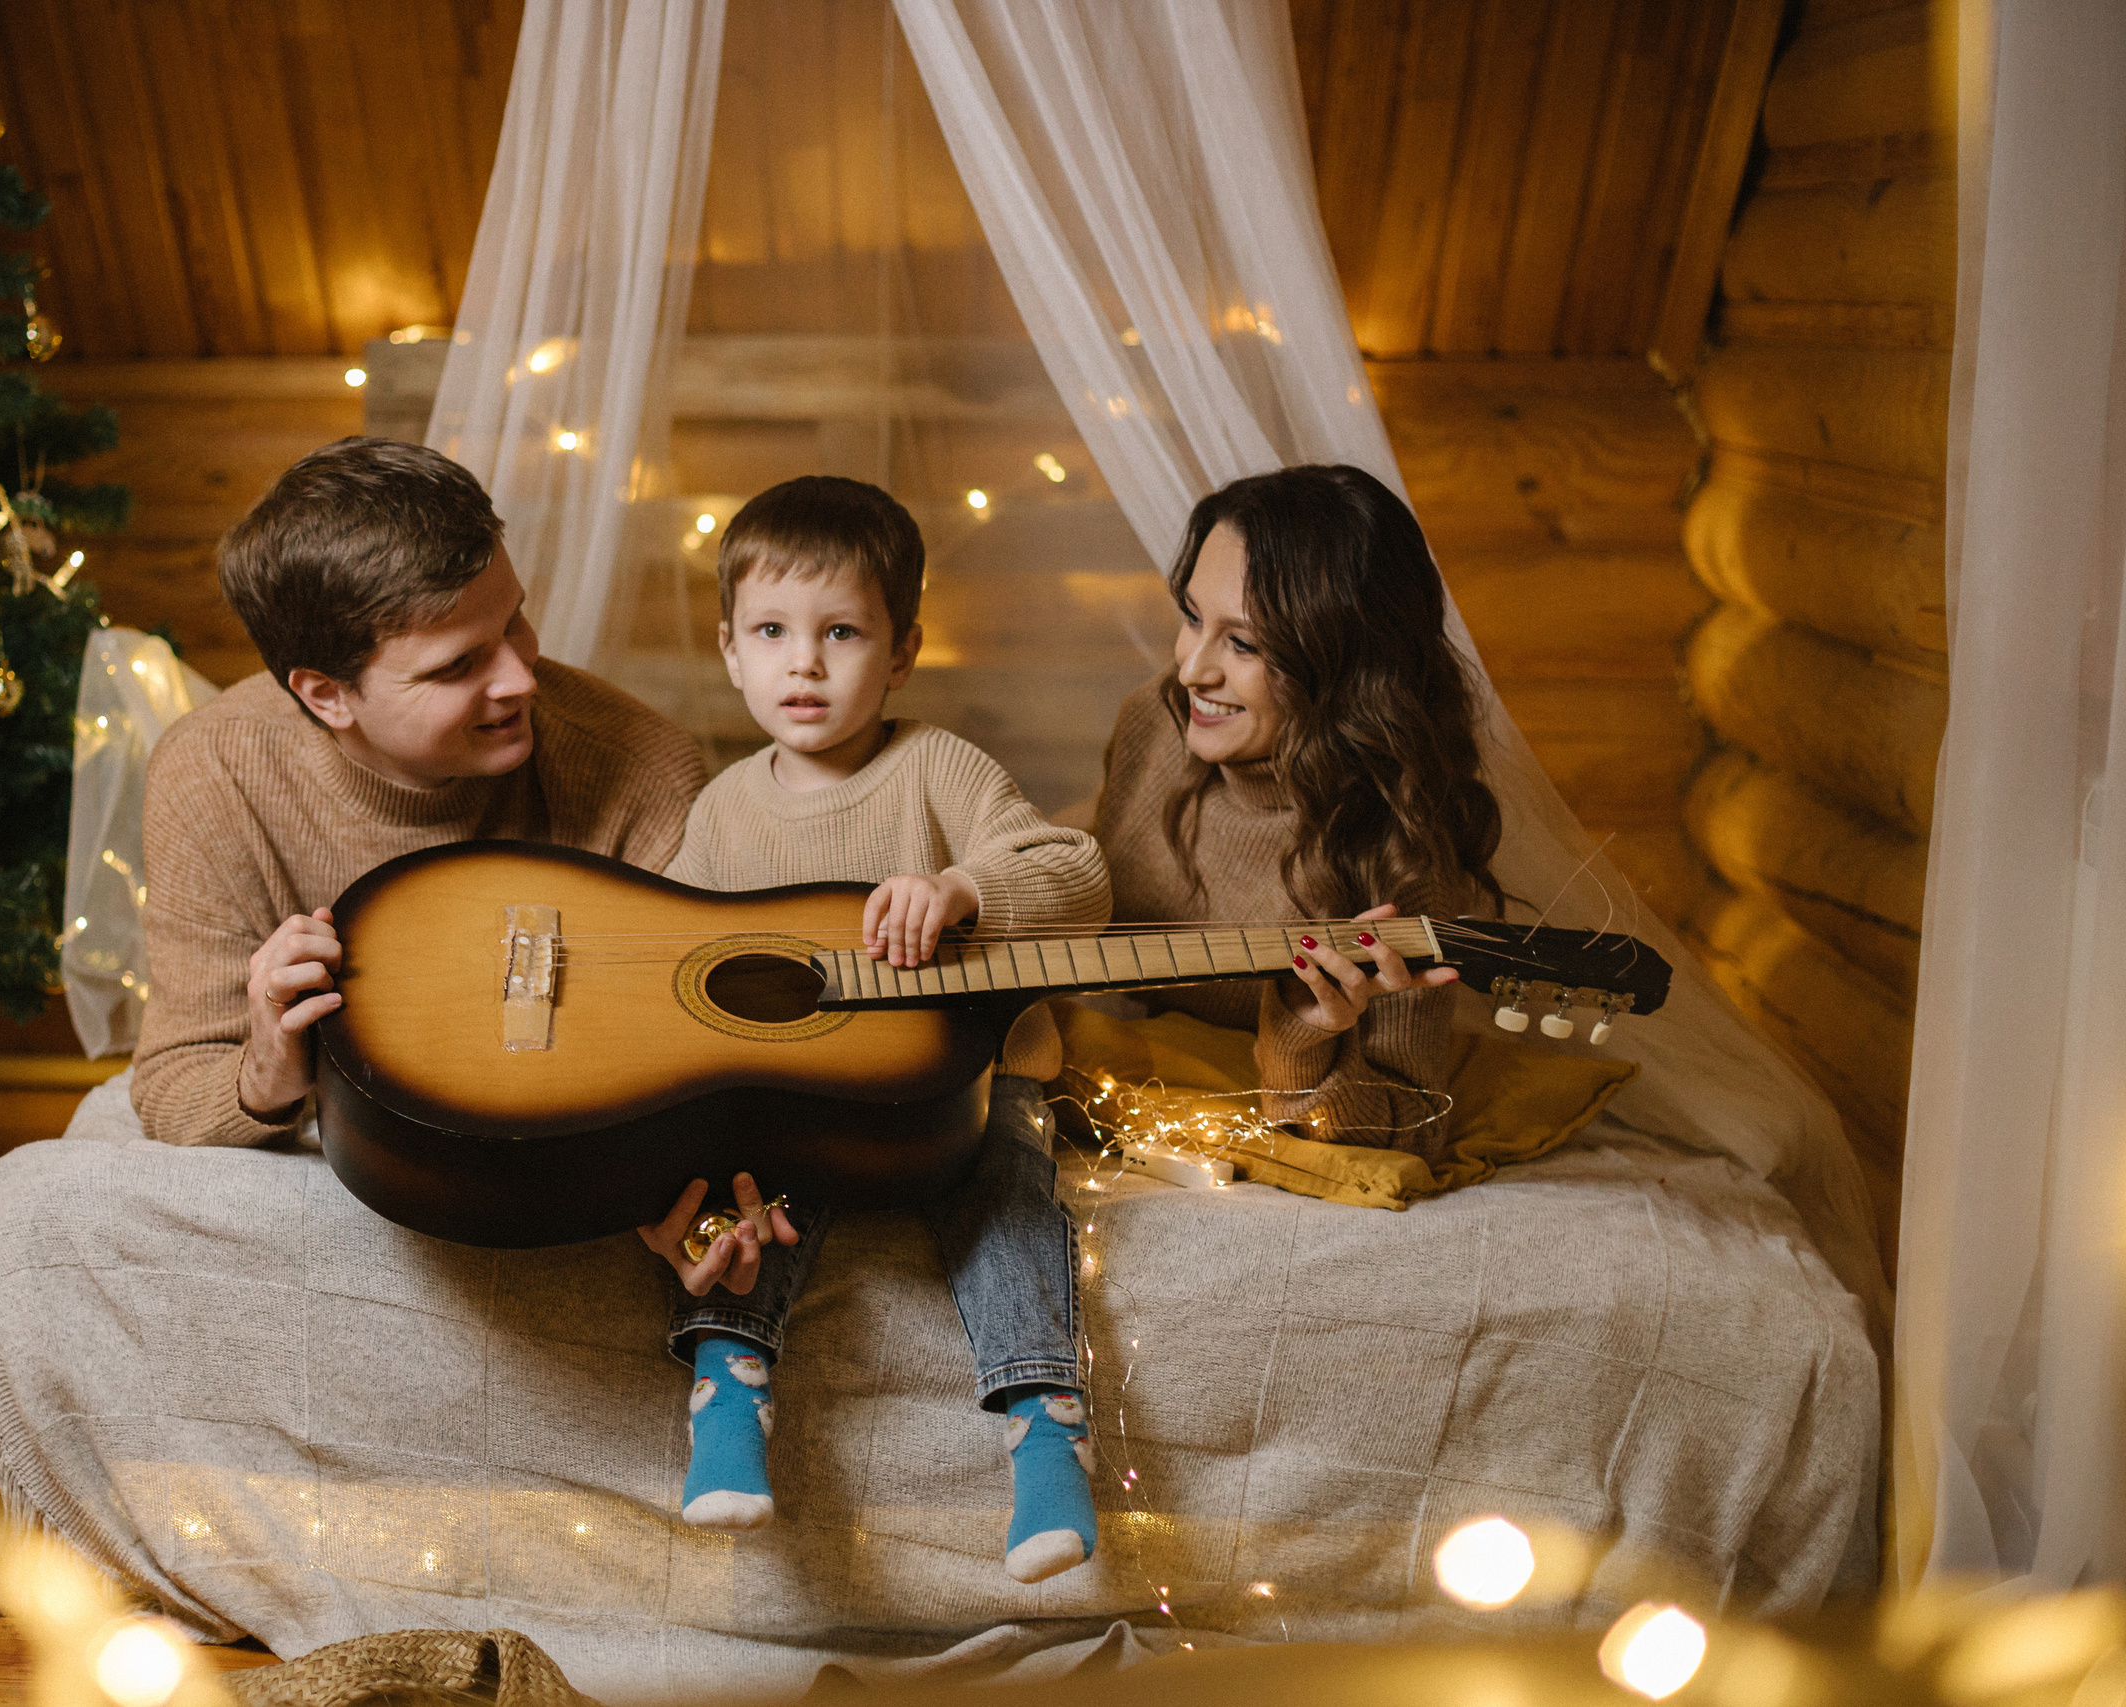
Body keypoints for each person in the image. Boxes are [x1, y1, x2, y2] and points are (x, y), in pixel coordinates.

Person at [632, 476, 1113, 1584]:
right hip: (806, 1098)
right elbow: (668, 951)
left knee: (1007, 1190)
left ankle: (1047, 1434)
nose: (803, 663)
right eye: (771, 632)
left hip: (969, 1085)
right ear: (730, 651)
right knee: (738, 1196)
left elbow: (1076, 872)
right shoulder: (724, 809)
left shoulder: (937, 766)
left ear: (901, 653)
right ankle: (727, 1399)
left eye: (841, 633)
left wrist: (962, 887)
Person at [130, 437, 708, 1151]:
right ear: (326, 695)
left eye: (514, 621)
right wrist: (268, 1070)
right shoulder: (211, 773)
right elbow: (172, 1089)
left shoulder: (645, 771)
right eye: (458, 664)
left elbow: (701, 1068)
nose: (523, 678)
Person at [1089, 464, 1502, 1157]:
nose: (1192, 670)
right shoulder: (1155, 723)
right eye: (1192, 617)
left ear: (1345, 668)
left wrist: (1300, 1037)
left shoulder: (1395, 855)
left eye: (1244, 644)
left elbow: (1412, 1128)